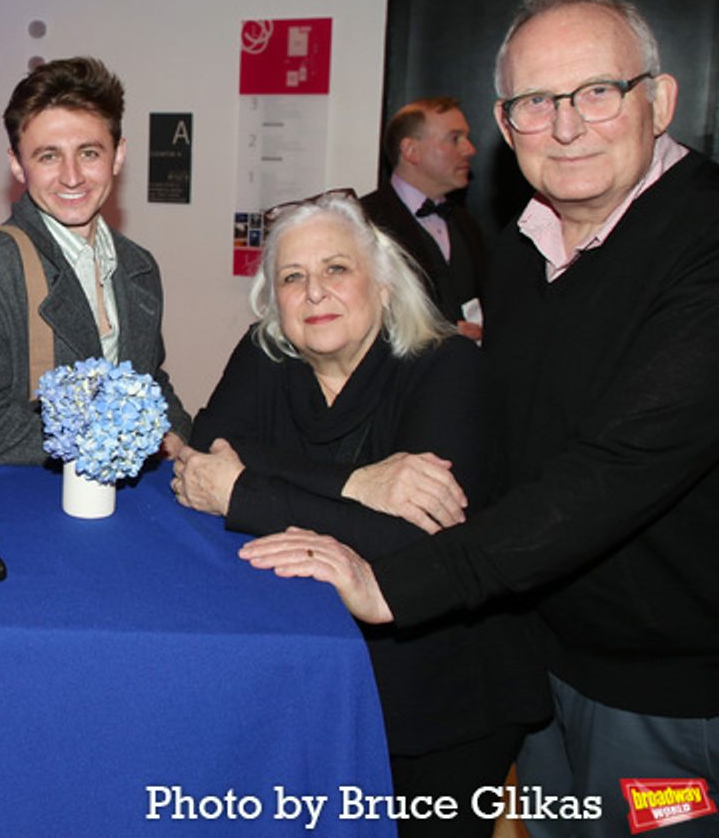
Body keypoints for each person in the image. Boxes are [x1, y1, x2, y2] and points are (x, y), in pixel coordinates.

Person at [244, 0, 719, 835]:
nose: (566, 127)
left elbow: (615, 470)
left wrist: (390, 586)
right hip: (544, 663)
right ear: (507, 123)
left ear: (661, 99)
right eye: (536, 101)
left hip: (667, 691)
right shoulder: (524, 252)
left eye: (598, 92)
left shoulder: (703, 240)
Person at [170, 191, 545, 836]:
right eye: (292, 277)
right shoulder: (268, 354)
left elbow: (408, 546)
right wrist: (359, 483)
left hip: (443, 695)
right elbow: (207, 455)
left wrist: (247, 493)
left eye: (336, 269)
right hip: (316, 677)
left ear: (383, 283)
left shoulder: (447, 365)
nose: (314, 292)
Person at [0, 56, 191, 464]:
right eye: (48, 156)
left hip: (125, 495)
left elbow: (151, 381)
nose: (72, 176)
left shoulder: (139, 266)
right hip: (31, 495)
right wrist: (123, 440)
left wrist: (175, 431)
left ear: (118, 155)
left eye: (89, 153)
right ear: (17, 164)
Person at [361, 97, 487, 338]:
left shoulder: (466, 224)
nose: (470, 149)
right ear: (411, 151)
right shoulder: (363, 221)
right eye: (455, 138)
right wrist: (439, 332)